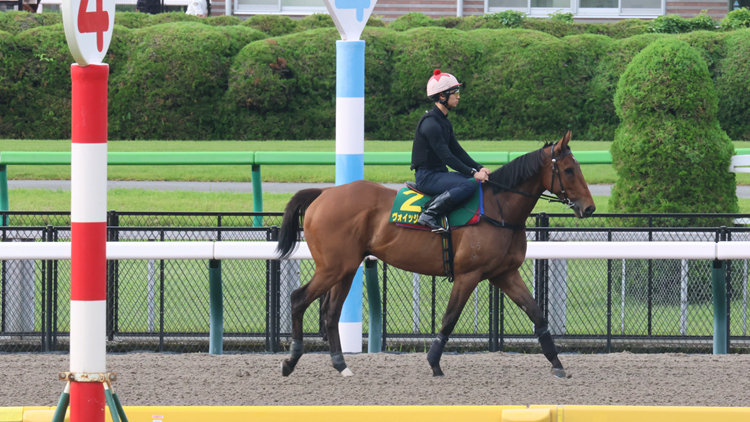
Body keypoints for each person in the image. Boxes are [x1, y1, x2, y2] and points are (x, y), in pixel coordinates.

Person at [411, 69, 490, 232]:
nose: (458, 96)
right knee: (468, 185)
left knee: (470, 182)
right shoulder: (431, 124)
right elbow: (446, 156)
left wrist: (479, 166)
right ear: (442, 96)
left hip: (438, 174)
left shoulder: (443, 122)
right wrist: (473, 173)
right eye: (455, 92)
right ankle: (429, 214)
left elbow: (457, 151)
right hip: (426, 177)